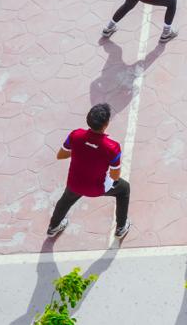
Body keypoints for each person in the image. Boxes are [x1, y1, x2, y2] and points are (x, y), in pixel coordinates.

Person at [45, 103, 131, 240]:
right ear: (106, 124)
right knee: (124, 189)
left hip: (74, 184)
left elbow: (60, 155)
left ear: (88, 120)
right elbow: (115, 176)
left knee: (65, 200)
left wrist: (82, 152)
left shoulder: (75, 135)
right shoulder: (112, 147)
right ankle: (121, 227)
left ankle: (53, 227)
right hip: (98, 188)